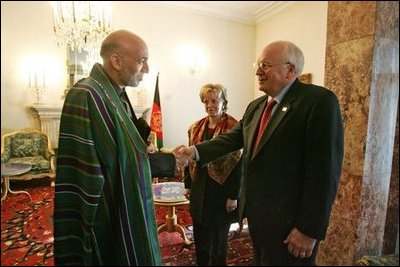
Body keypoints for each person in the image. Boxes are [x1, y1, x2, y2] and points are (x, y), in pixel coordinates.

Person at [179, 41, 344, 266]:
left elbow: (324, 173)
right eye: (257, 64)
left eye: (265, 65)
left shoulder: (318, 102)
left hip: (291, 227)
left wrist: (309, 229)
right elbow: (230, 139)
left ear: (290, 70)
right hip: (258, 220)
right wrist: (193, 151)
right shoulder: (256, 106)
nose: (258, 71)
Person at [54, 30, 187, 266]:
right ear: (116, 61)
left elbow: (125, 142)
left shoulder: (115, 93)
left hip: (120, 200)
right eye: (141, 60)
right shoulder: (86, 94)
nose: (146, 69)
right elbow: (103, 165)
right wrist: (169, 161)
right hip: (105, 210)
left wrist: (144, 144)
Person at [182, 83, 242, 266]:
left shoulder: (234, 127)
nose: (210, 105)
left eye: (215, 100)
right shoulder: (195, 127)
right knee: (200, 237)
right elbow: (188, 158)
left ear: (224, 102)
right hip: (200, 187)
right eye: (206, 101)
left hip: (222, 191)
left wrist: (234, 195)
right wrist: (187, 185)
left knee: (218, 242)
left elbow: (239, 164)